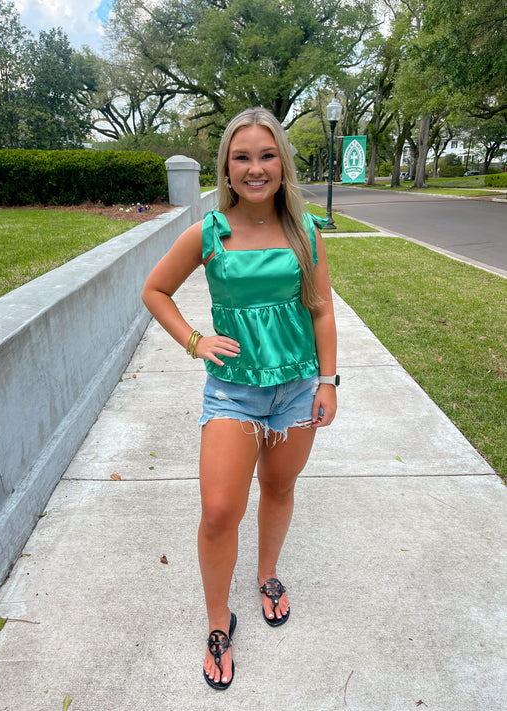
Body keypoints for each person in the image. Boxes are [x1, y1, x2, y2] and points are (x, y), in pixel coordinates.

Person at [141, 107, 338, 690]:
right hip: (233, 392)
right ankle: (217, 619)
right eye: (243, 157)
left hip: (297, 387)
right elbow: (155, 290)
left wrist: (328, 380)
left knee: (279, 487)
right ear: (227, 166)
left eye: (267, 155)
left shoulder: (306, 231)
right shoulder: (209, 232)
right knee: (220, 511)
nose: (256, 168)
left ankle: (268, 574)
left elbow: (322, 309)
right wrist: (195, 341)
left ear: (283, 162)